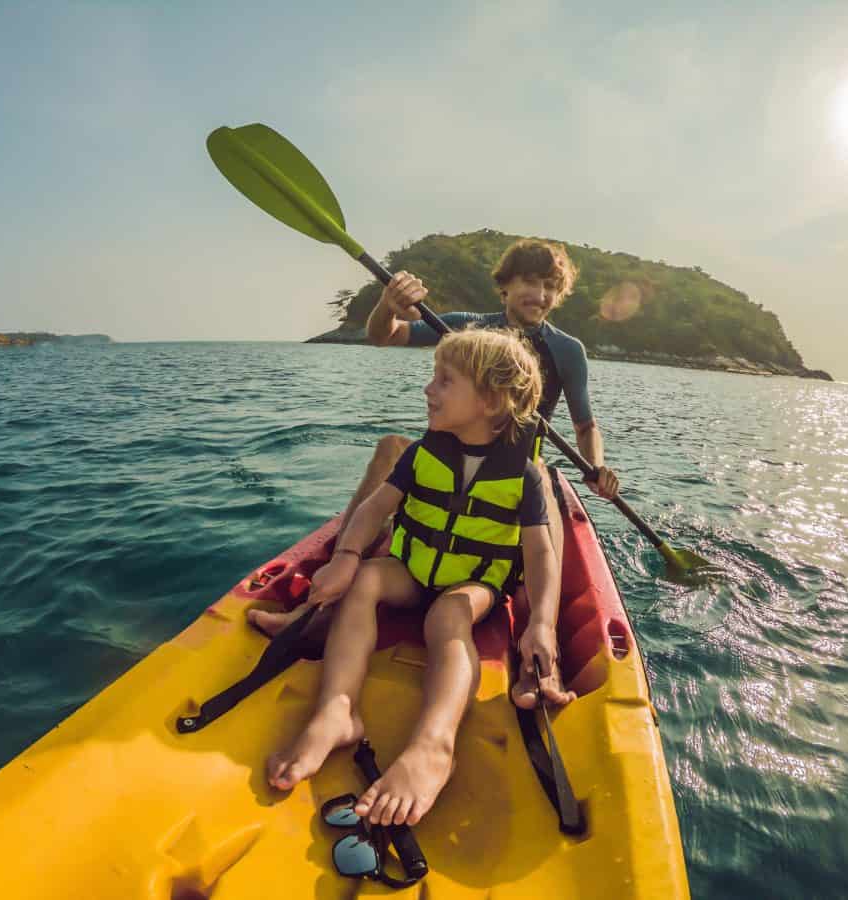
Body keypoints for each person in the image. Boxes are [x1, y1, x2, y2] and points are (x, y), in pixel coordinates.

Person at [250, 238, 620, 708]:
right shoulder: (464, 329)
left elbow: (585, 425)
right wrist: (388, 304)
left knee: (547, 484)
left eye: (550, 287)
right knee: (392, 447)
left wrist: (597, 465)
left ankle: (541, 659)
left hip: (515, 470)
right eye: (529, 281)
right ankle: (321, 602)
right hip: (454, 457)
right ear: (505, 287)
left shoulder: (567, 351)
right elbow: (386, 335)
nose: (539, 295)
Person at [265, 329, 571, 829]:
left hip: (470, 584)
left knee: (448, 615)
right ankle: (337, 711)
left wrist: (542, 622)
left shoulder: (525, 476)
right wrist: (345, 555)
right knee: (365, 581)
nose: (429, 389)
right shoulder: (423, 454)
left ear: (491, 400)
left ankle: (433, 747)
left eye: (445, 381)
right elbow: (374, 510)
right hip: (410, 568)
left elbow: (540, 555)